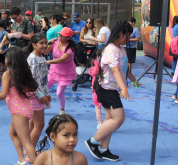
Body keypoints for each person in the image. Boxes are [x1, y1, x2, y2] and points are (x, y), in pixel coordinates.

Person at [84, 20, 142, 161]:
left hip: (111, 89)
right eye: (127, 35)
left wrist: (134, 81)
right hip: (106, 89)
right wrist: (124, 89)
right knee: (119, 118)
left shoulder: (121, 49)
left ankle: (104, 149)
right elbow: (115, 70)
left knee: (110, 119)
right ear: (121, 33)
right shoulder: (110, 49)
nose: (128, 38)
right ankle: (93, 142)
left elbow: (124, 70)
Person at [0, 46, 38, 165]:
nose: (5, 59)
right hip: (25, 108)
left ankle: (34, 162)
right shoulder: (24, 73)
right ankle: (21, 160)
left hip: (19, 111)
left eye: (6, 57)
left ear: (9, 59)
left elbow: (3, 94)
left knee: (27, 142)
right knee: (12, 133)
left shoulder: (8, 74)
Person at [25, 33, 51, 163]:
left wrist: (46, 93)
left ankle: (29, 148)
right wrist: (41, 96)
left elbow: (43, 79)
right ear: (34, 45)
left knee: (33, 123)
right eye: (41, 43)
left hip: (39, 94)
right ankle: (30, 155)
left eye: (45, 42)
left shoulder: (41, 57)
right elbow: (31, 81)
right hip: (34, 95)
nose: (45, 45)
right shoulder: (33, 59)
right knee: (39, 124)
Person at [45, 27, 77, 114]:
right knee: (44, 88)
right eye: (59, 34)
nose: (60, 36)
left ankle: (62, 110)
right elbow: (46, 52)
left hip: (65, 73)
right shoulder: (55, 43)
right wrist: (49, 44)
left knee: (59, 93)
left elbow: (61, 60)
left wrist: (47, 62)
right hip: (54, 71)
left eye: (63, 35)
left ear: (68, 38)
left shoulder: (71, 49)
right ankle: (46, 104)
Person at [88, 48, 103, 129]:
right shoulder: (97, 64)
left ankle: (101, 122)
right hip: (98, 87)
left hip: (100, 87)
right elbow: (93, 73)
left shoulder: (99, 64)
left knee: (99, 106)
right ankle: (100, 122)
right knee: (99, 105)